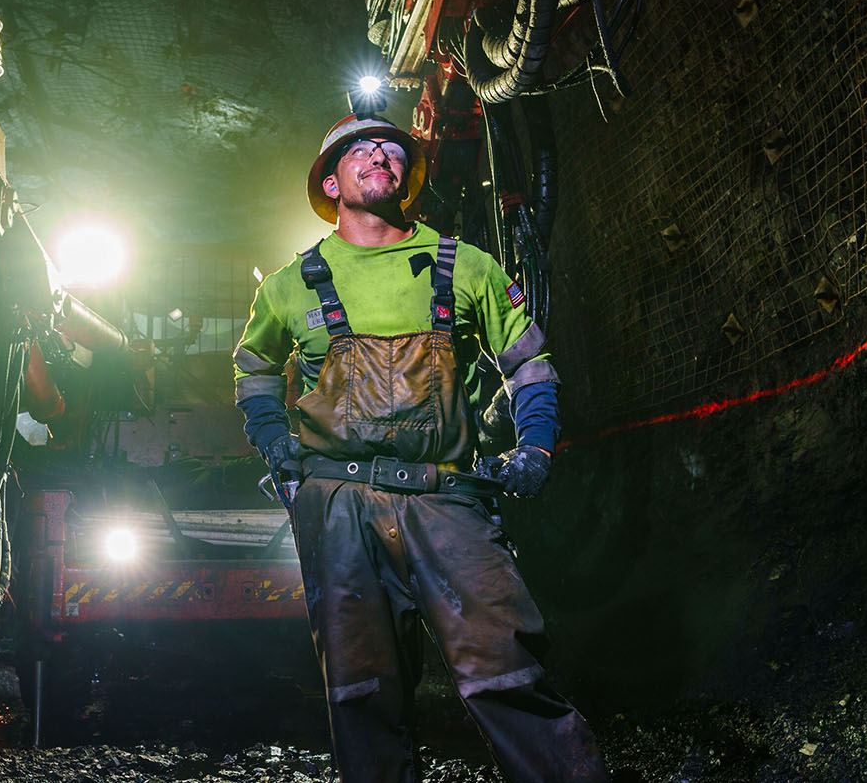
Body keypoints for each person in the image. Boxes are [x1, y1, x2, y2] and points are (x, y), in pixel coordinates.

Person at [233, 113, 611, 783]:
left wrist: (538, 449)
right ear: (331, 180)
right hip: (337, 503)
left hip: (446, 496)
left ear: (406, 177)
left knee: (505, 669)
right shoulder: (292, 285)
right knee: (360, 689)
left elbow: (529, 366)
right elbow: (255, 366)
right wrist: (271, 438)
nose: (382, 154)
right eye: (361, 149)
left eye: (393, 150)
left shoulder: (465, 267)